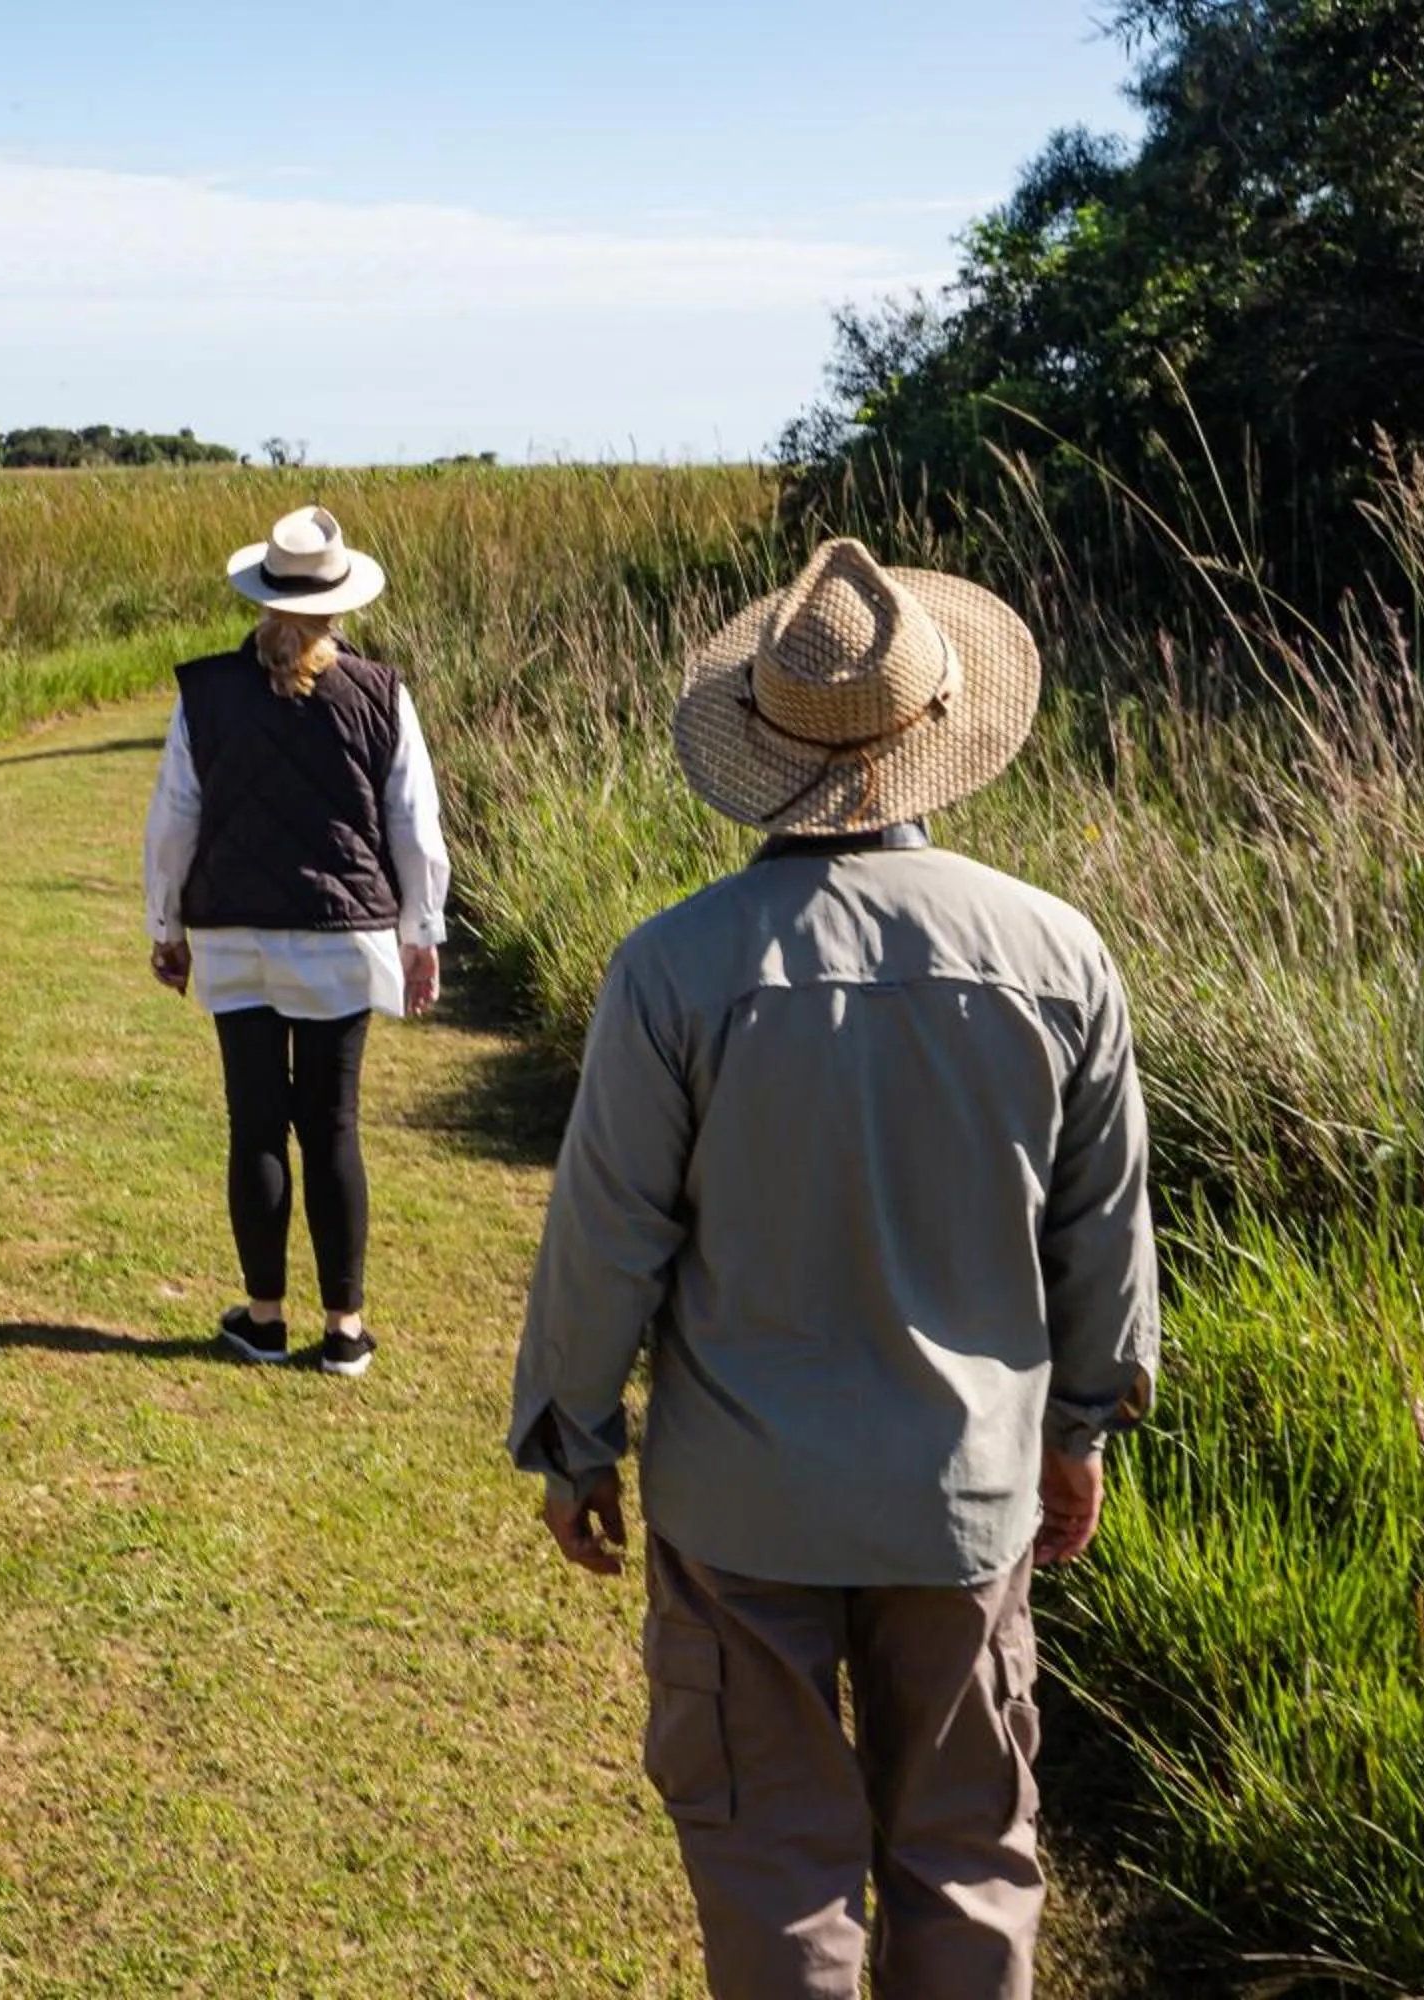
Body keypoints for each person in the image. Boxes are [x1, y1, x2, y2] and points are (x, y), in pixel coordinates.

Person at [507, 538, 1160, 1998]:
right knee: (972, 1853)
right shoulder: (1058, 955)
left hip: (742, 1504)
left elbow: (606, 1234)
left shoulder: (675, 967)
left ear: (762, 737)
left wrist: (574, 1438)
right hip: (965, 1490)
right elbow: (1103, 1234)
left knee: (772, 1863)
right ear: (937, 732)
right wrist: (1083, 1428)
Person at [142, 504, 451, 1378]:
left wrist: (166, 926)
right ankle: (345, 1326)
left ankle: (266, 1316)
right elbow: (413, 828)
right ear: (340, 601)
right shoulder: (380, 691)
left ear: (264, 595)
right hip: (345, 937)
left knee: (256, 1124)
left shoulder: (207, 690)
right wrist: (421, 933)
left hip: (234, 931)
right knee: (333, 1124)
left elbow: (174, 823)